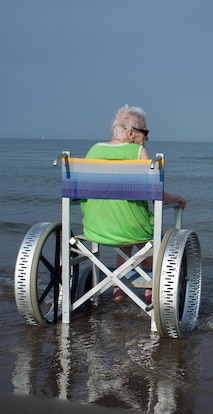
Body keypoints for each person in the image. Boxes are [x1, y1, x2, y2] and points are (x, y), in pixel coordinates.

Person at [81, 105, 186, 302]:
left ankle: (118, 294)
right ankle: (150, 295)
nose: (147, 138)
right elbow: (156, 194)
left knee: (125, 242)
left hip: (96, 229)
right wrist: (176, 198)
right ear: (130, 133)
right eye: (145, 132)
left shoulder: (94, 149)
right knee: (151, 242)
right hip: (132, 229)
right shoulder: (138, 152)